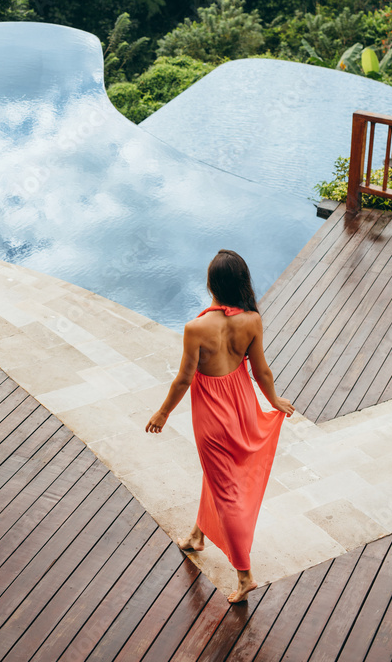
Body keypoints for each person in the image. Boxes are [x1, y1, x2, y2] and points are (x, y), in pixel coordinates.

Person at [145, 249, 295, 603]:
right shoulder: (252, 320)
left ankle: (244, 576)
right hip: (242, 404)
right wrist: (273, 401)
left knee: (225, 491)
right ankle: (198, 536)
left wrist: (163, 413)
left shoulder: (196, 328)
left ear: (211, 284)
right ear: (241, 283)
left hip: (212, 416)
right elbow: (262, 371)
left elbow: (183, 379)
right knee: (217, 477)